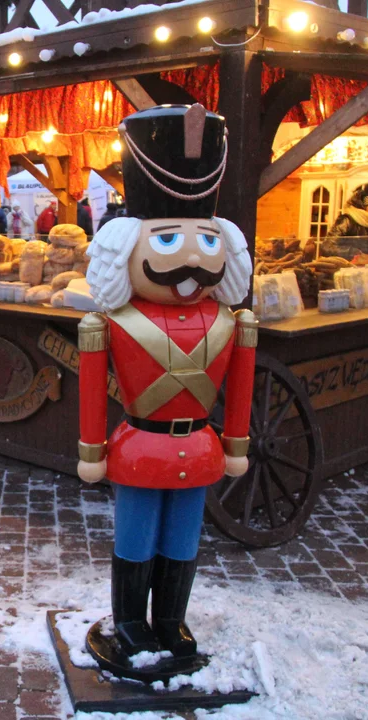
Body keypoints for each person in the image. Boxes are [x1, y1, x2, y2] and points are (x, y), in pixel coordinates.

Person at [78, 105, 254, 667]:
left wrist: (236, 444)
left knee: (183, 539)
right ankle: (130, 622)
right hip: (139, 445)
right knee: (134, 537)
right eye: (170, 237)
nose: (189, 257)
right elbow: (89, 386)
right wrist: (91, 450)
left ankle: (171, 622)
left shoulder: (232, 321)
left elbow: (242, 382)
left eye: (204, 240)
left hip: (200, 445)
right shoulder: (111, 322)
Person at [323, 180, 368, 260]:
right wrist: (353, 253)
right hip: (347, 269)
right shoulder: (347, 221)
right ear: (364, 205)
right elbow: (327, 247)